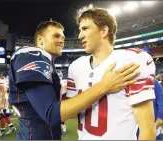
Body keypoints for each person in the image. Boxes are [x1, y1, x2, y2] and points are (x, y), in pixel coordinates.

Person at [8, 20, 140, 140]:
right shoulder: (31, 54)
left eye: (63, 37)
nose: (61, 40)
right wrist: (104, 86)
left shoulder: (49, 66)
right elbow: (52, 114)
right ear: (40, 40)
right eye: (56, 36)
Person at [66, 7, 156, 140]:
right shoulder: (76, 67)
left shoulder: (130, 61)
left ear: (103, 31)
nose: (80, 35)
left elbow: (147, 129)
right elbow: (68, 112)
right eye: (80, 30)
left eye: (85, 29)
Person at [0, 72, 16, 137]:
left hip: (3, 99)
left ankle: (2, 132)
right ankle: (12, 127)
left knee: (1, 116)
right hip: (3, 99)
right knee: (4, 114)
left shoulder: (0, 81)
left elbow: (3, 91)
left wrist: (2, 103)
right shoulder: (1, 81)